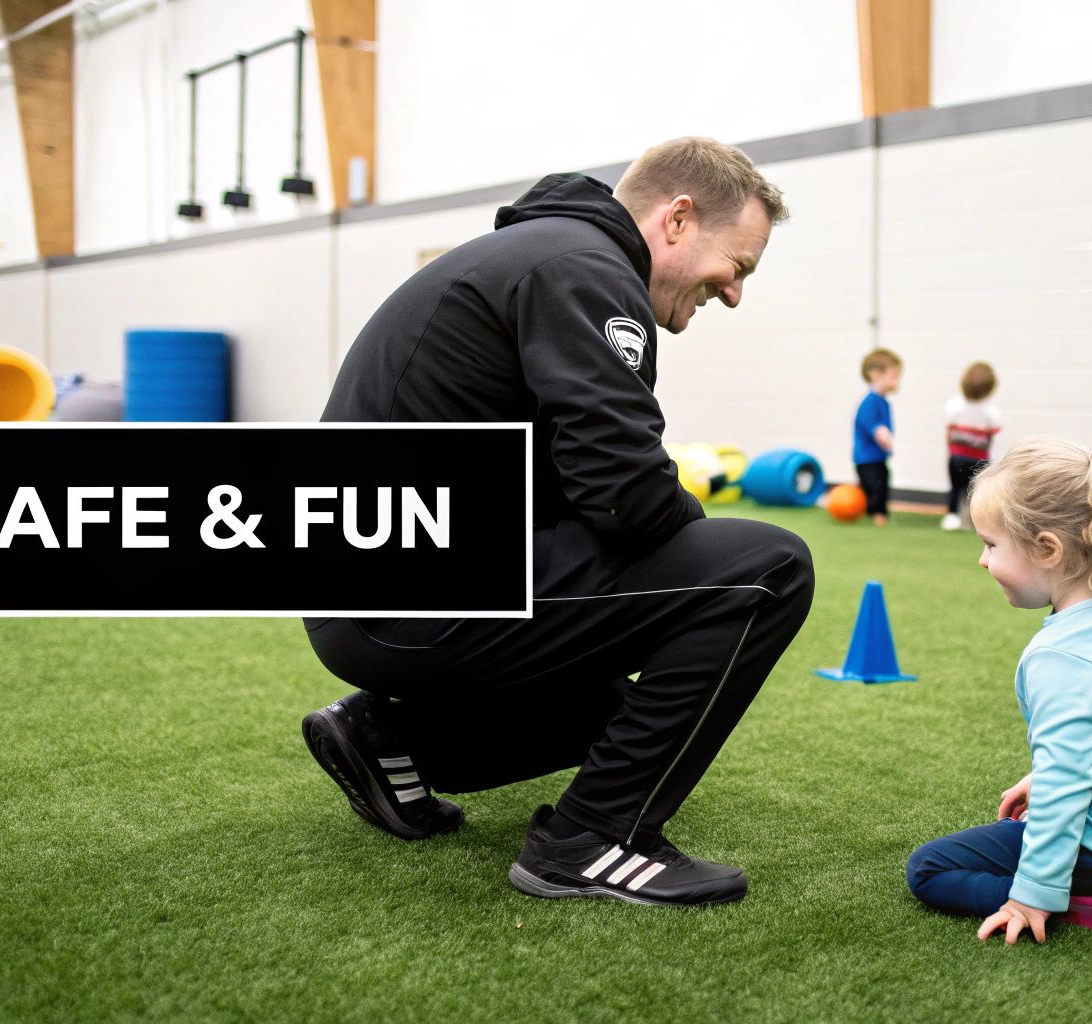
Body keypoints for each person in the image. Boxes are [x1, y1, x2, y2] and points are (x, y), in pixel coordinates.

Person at [301, 137, 813, 907]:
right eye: (737, 266)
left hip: (377, 590)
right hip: (409, 594)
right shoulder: (586, 270)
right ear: (677, 219)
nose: (734, 293)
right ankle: (594, 839)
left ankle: (388, 740)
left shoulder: (548, 255)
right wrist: (704, 541)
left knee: (610, 711)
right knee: (766, 569)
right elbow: (625, 499)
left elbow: (585, 487)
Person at [906, 437, 1092, 945]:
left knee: (929, 868)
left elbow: (1067, 785)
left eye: (991, 545)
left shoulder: (1060, 657)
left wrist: (1031, 893)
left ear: (1047, 549)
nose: (982, 560)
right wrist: (1041, 776)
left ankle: (1054, 895)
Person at [941, 361, 1002, 531]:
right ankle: (972, 518)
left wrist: (950, 451)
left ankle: (952, 516)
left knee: (956, 487)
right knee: (975, 489)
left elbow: (949, 431)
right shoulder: (990, 411)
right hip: (978, 457)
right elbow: (992, 433)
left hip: (957, 455)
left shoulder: (955, 406)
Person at [853, 349, 902, 526]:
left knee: (882, 480)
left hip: (877, 457)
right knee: (876, 486)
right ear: (875, 375)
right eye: (893, 376)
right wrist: (882, 435)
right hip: (867, 457)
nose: (896, 381)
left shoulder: (882, 401)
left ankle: (877, 512)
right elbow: (872, 425)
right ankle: (877, 514)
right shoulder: (870, 401)